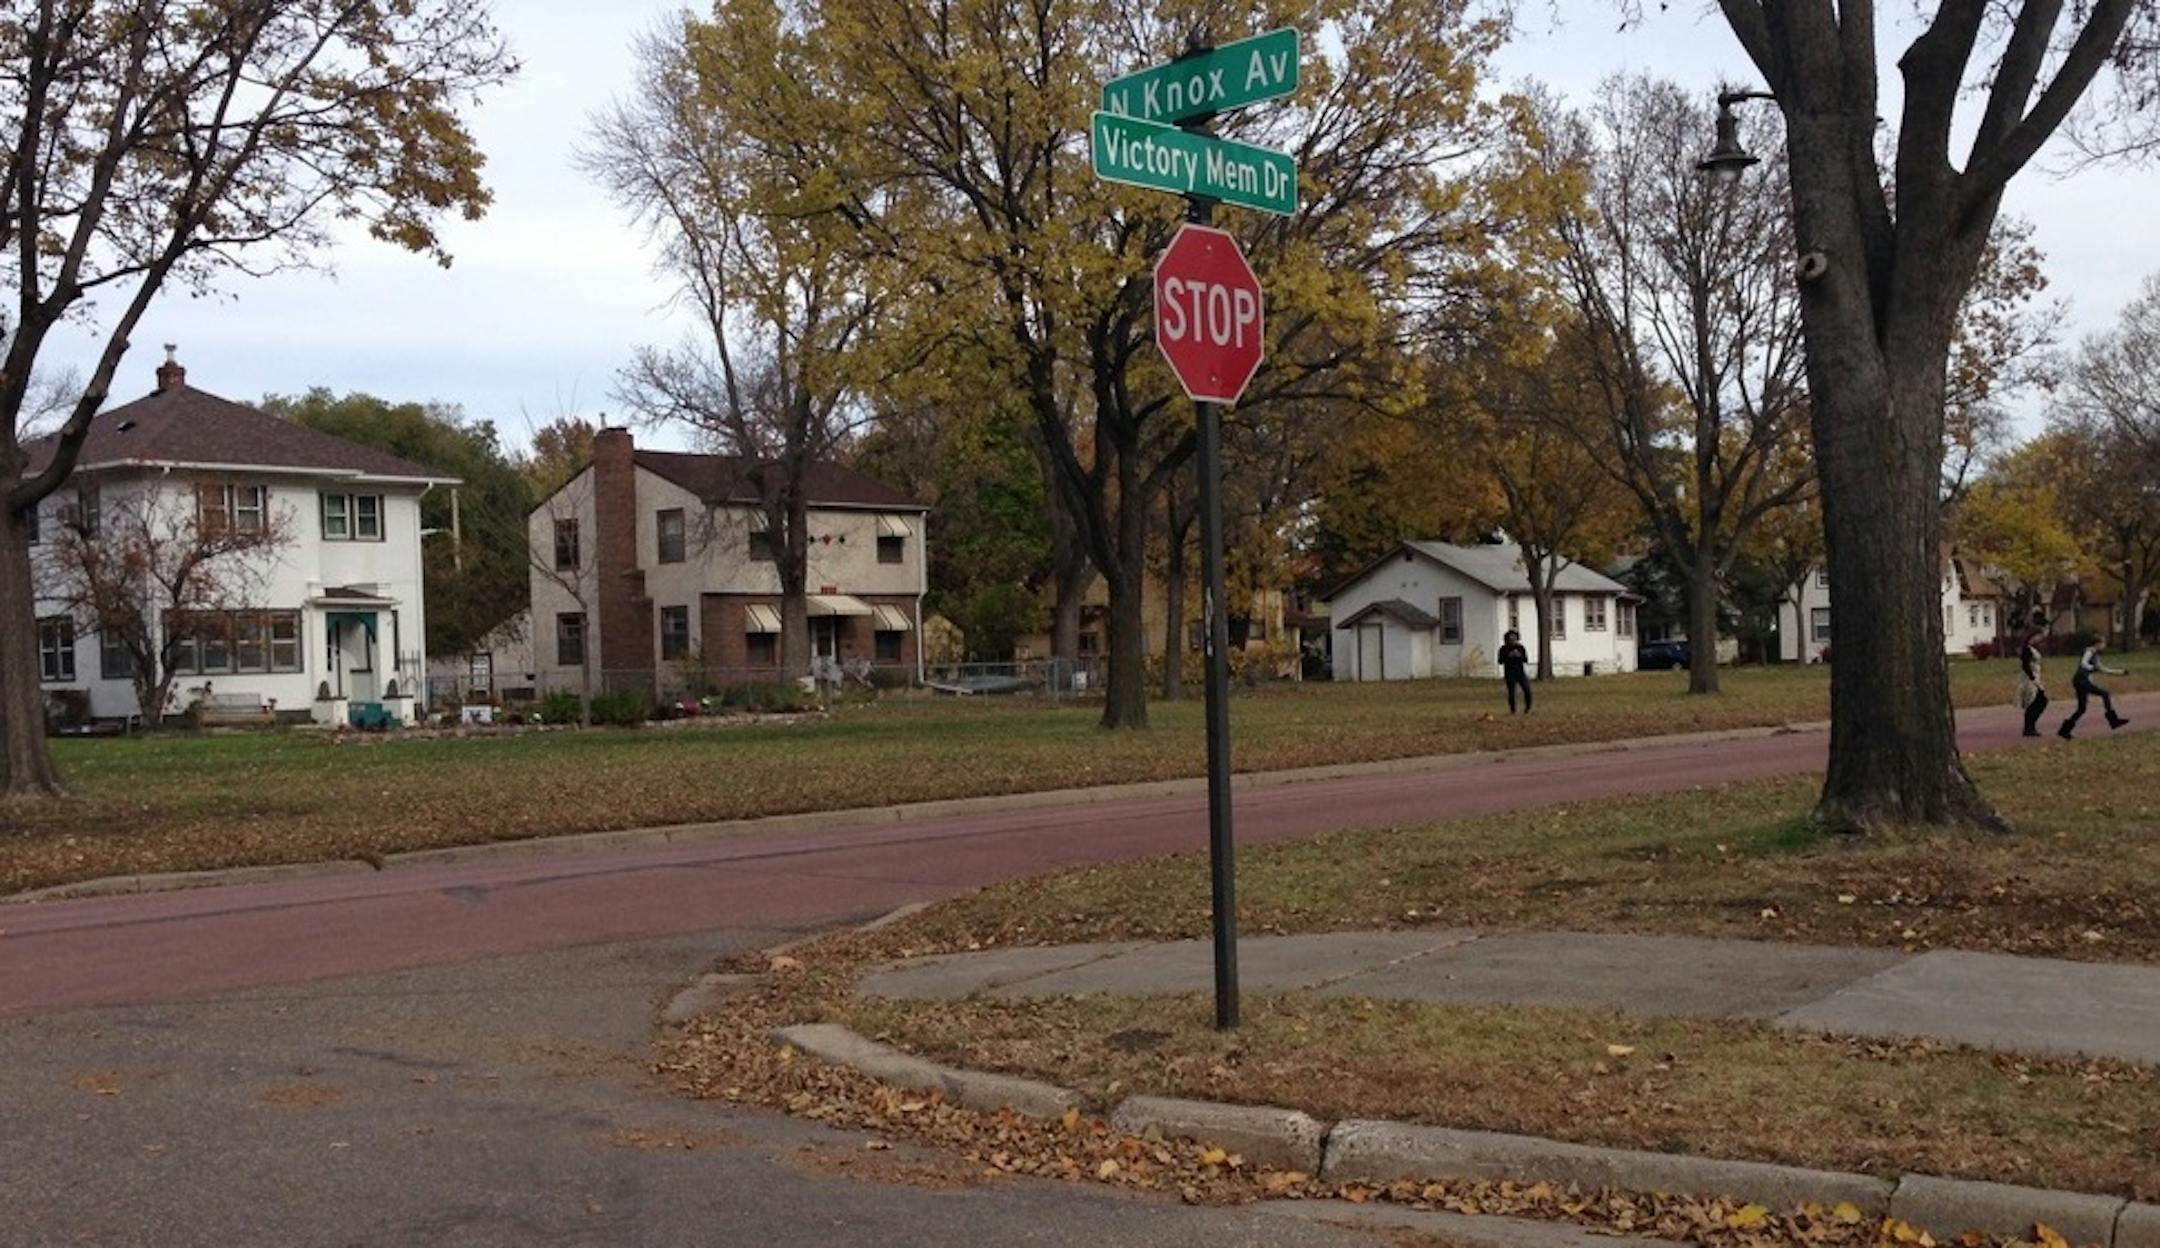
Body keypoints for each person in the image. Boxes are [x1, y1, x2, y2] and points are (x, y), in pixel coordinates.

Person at [2058, 637, 2130, 739]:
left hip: (2079, 681)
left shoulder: (2095, 655)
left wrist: (2120, 672)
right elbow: (2083, 663)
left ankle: (2064, 730)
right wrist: (2092, 668)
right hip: (2081, 681)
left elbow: (2103, 669)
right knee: (2105, 694)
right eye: (2103, 643)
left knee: (2081, 709)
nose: (2104, 646)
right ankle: (2113, 720)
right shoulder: (2090, 651)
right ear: (2097, 644)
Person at [2017, 629, 2049, 737]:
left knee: (2041, 701)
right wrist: (2032, 678)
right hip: (2029, 679)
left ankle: (2030, 726)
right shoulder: (2027, 649)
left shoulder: (2032, 649)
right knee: (2035, 702)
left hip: (2035, 678)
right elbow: (2025, 665)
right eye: (2038, 636)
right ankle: (2029, 728)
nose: (2040, 639)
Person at [1498, 629, 1532, 714]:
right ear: (1507, 640)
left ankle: (1528, 708)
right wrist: (1509, 656)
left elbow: (1525, 659)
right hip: (1510, 674)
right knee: (1512, 693)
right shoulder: (1503, 649)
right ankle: (1513, 710)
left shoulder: (1520, 648)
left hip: (1520, 673)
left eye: (1515, 638)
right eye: (1511, 639)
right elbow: (1500, 661)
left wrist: (1519, 655)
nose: (1513, 641)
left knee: (1527, 690)